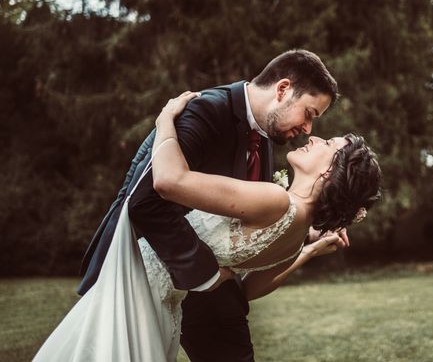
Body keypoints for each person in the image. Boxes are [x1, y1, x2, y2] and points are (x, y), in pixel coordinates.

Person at [33, 90, 381, 361]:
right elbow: (249, 287)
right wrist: (313, 246)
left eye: (329, 144)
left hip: (140, 289)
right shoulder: (296, 231)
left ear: (329, 173)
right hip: (164, 305)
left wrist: (165, 121)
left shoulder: (276, 202)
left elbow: (169, 181)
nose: (316, 138)